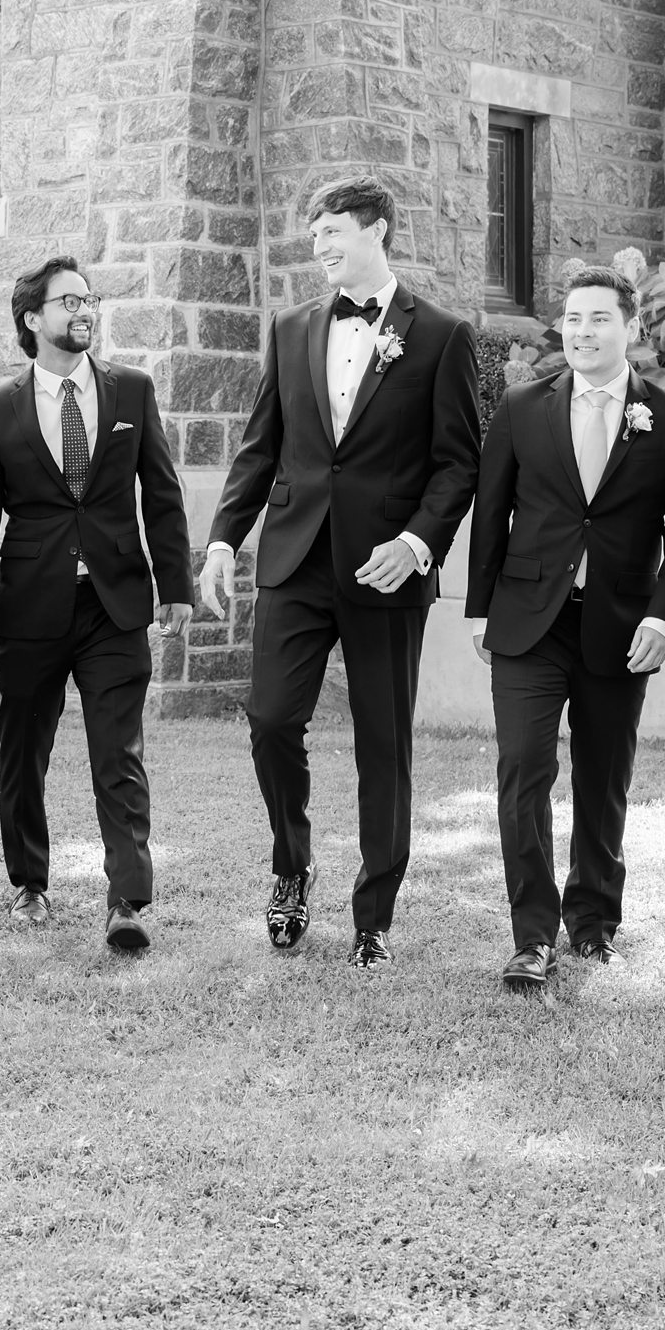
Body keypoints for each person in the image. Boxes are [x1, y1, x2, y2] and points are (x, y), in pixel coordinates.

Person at [197, 175, 481, 969]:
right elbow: (261, 446)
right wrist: (224, 540)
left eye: (331, 231)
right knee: (271, 719)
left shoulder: (443, 335)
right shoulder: (291, 328)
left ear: (377, 230)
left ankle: (374, 913)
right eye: (313, 233)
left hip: (385, 570)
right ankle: (292, 865)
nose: (318, 245)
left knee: (381, 740)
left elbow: (459, 465)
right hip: (293, 559)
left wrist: (417, 544)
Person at [465, 264, 665, 990]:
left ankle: (594, 922)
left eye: (598, 318)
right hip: (528, 625)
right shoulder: (521, 407)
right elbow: (492, 512)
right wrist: (479, 606)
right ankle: (532, 935)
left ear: (630, 328)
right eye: (572, 319)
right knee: (524, 772)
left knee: (604, 780)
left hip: (620, 627)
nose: (581, 332)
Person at [0, 257, 192, 947]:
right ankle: (28, 884)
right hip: (30, 606)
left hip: (114, 603)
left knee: (119, 751)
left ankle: (127, 900)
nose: (84, 311)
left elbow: (164, 492)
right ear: (34, 319)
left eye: (89, 300)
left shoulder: (133, 392)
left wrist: (173, 583)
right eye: (68, 302)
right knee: (23, 749)